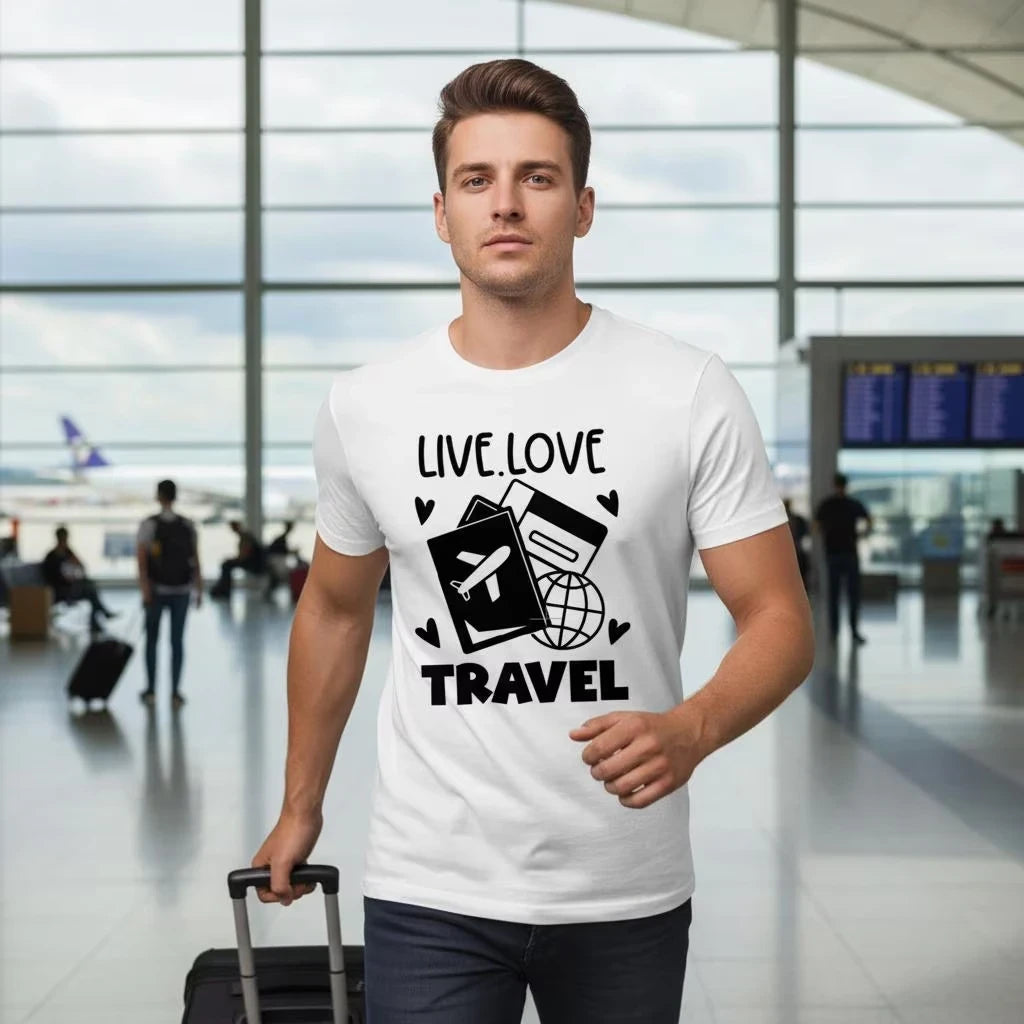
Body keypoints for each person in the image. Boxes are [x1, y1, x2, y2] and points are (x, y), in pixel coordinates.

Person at [251, 59, 814, 1024]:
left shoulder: (684, 389)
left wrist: (694, 729)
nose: (505, 204)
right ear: (441, 212)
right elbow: (335, 610)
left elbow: (778, 618)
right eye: (478, 180)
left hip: (623, 879)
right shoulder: (367, 404)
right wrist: (302, 801)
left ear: (583, 208)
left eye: (537, 178)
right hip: (429, 876)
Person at [136, 479, 202, 709]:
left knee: (152, 641)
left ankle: (151, 690)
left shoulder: (149, 525)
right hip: (182, 590)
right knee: (177, 642)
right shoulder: (187, 525)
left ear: (158, 496)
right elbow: (195, 558)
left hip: (156, 591)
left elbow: (142, 560)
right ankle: (175, 692)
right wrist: (199, 588)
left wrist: (145, 588)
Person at [814, 472, 872, 646]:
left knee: (834, 595)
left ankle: (835, 632)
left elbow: (816, 525)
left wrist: (827, 534)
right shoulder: (852, 504)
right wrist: (861, 535)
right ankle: (853, 632)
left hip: (834, 553)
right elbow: (869, 520)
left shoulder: (827, 505)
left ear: (834, 484)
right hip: (849, 553)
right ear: (846, 486)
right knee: (852, 594)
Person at [41, 526, 114, 634]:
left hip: (70, 586)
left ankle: (98, 619)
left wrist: (73, 559)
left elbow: (81, 566)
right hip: (60, 590)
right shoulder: (51, 556)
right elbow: (53, 578)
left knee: (90, 586)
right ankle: (99, 618)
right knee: (90, 590)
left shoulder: (67, 552)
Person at [210, 520, 265, 599]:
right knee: (227, 564)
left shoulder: (245, 536)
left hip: (254, 563)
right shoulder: (244, 536)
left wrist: (233, 559)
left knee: (226, 565)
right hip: (252, 561)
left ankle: (224, 590)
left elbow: (244, 555)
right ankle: (224, 588)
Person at [784, 497, 811, 590]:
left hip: (793, 552)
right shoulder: (797, 519)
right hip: (797, 550)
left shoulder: (786, 522)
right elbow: (807, 532)